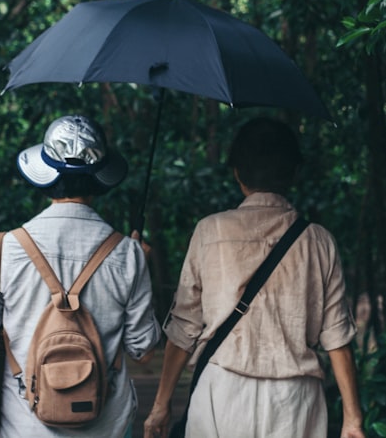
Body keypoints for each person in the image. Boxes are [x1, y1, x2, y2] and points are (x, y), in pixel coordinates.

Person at [143, 116, 366, 438]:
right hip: (295, 401)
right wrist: (352, 419)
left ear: (237, 173)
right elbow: (337, 338)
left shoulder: (210, 231)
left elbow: (184, 327)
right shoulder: (318, 240)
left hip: (222, 392)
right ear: (295, 173)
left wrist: (161, 405)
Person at [0, 114, 161, 438]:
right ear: (98, 178)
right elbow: (142, 349)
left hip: (24, 426)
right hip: (106, 426)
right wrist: (142, 264)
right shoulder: (127, 253)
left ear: (47, 175)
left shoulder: (7, 247)